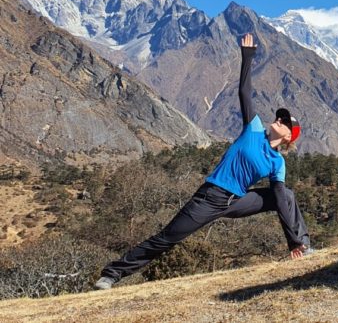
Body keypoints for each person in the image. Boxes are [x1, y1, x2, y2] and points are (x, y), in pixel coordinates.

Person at [94, 33, 313, 290]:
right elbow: (244, 92)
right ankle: (111, 275)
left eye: (286, 122)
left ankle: (302, 245)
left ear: (289, 137)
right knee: (167, 238)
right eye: (281, 117)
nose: (280, 120)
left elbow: (280, 200)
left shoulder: (277, 162)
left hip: (238, 201)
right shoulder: (252, 129)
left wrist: (292, 241)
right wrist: (247, 57)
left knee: (285, 194)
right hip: (209, 198)